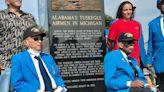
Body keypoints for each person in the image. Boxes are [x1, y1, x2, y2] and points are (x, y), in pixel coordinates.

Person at [11, 26, 67, 92]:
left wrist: (60, 88)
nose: (40, 41)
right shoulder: (18, 59)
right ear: (26, 42)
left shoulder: (48, 57)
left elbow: (57, 76)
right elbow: (18, 83)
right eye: (36, 39)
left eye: (41, 38)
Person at [0, 0, 36, 70]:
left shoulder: (30, 17)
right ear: (7, 1)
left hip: (29, 65)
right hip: (7, 65)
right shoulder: (1, 15)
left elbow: (36, 38)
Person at [107, 1, 145, 67]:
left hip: (135, 60)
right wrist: (115, 55)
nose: (128, 12)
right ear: (121, 11)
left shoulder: (137, 24)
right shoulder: (115, 24)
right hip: (120, 60)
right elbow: (109, 43)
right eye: (125, 10)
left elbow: (139, 44)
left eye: (130, 9)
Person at [146, 0, 164, 91]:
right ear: (158, 6)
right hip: (160, 64)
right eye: (162, 3)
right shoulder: (152, 24)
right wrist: (148, 61)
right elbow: (150, 44)